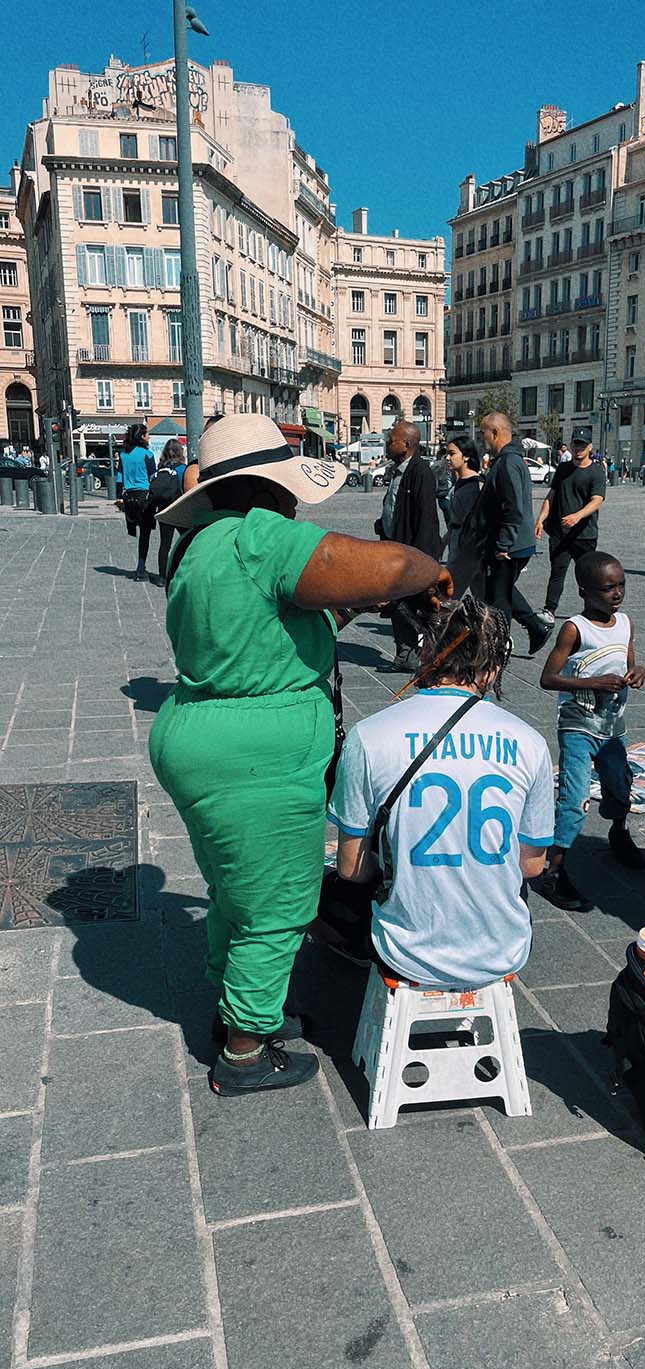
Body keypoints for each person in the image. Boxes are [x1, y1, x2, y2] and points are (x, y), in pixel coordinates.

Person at [149, 414, 452, 1098]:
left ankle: (237, 1011)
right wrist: (432, 571)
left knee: (236, 894)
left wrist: (357, 605)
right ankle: (245, 1054)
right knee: (278, 906)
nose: (295, 504)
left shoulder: (201, 544)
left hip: (198, 735)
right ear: (267, 487)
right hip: (255, 756)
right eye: (288, 489)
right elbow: (393, 562)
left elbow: (283, 618)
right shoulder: (263, 536)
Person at [327, 596, 554, 984]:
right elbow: (530, 865)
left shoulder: (370, 737)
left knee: (326, 893)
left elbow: (352, 869)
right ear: (493, 670)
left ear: (426, 650)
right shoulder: (530, 742)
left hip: (405, 951)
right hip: (503, 949)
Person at [537, 552, 645, 911]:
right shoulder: (575, 628)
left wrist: (638, 672)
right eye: (607, 588)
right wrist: (593, 682)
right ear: (585, 591)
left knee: (621, 785)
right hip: (578, 726)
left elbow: (629, 661)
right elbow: (548, 678)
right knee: (574, 799)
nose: (617, 593)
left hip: (613, 727)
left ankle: (618, 831)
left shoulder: (625, 622)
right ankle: (554, 869)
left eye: (621, 585)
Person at [479, 411, 543, 655]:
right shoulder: (509, 460)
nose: (482, 438)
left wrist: (504, 544)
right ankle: (534, 626)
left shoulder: (507, 463)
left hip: (511, 543)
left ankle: (500, 645)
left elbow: (513, 508)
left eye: (484, 432)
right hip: (514, 540)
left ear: (495, 433)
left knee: (500, 598)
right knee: (499, 590)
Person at [381, 420, 441, 672]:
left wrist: (420, 561)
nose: (387, 443)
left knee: (410, 605)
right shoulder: (398, 470)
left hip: (410, 553)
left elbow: (426, 519)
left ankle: (431, 649)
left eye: (391, 439)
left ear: (405, 444)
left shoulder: (420, 472)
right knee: (396, 601)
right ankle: (405, 654)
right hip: (394, 549)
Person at [533, 426, 606, 629]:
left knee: (586, 574)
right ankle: (549, 610)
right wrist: (540, 519)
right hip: (559, 533)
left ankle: (591, 609)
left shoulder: (596, 471)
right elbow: (551, 496)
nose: (578, 448)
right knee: (557, 572)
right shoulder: (563, 469)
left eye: (582, 445)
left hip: (585, 534)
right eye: (576, 444)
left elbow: (597, 500)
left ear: (590, 447)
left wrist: (578, 515)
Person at [143, 438, 187, 588]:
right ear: (180, 451)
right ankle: (186, 571)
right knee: (188, 540)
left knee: (164, 544)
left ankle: (162, 577)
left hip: (164, 510)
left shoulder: (160, 468)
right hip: (180, 509)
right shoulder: (183, 469)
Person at [115, 423, 157, 581]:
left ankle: (141, 566)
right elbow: (153, 477)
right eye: (147, 434)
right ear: (141, 437)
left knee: (137, 531)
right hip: (144, 496)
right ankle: (141, 567)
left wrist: (119, 496)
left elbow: (119, 478)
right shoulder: (147, 454)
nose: (149, 437)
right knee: (145, 535)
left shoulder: (124, 455)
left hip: (129, 498)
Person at [444, 435, 484, 596]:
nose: (447, 458)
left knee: (449, 592)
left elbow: (473, 521)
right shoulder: (459, 482)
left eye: (452, 453)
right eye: (446, 453)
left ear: (466, 456)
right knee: (481, 595)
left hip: (467, 547)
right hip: (458, 541)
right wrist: (445, 540)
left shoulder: (475, 485)